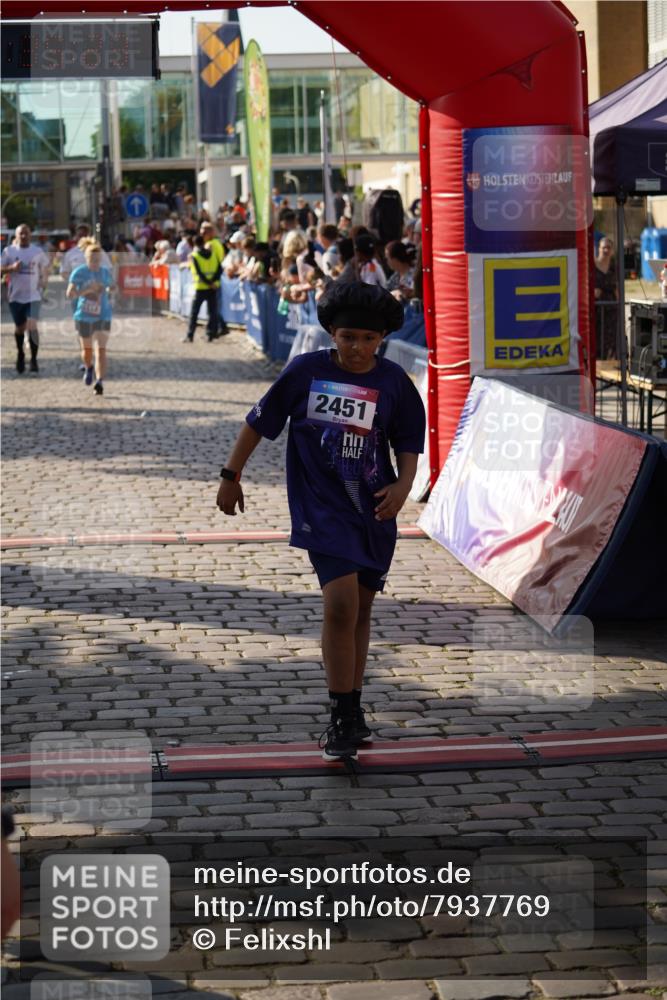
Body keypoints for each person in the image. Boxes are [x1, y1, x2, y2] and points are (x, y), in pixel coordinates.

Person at [216, 282, 426, 760]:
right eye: (348, 337)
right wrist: (231, 476)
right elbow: (258, 421)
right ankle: (339, 712)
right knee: (339, 606)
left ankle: (353, 709)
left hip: (374, 510)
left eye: (368, 339)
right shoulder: (305, 372)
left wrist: (403, 486)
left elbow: (409, 441)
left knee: (361, 610)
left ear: (383, 340)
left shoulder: (394, 381)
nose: (357, 348)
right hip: (321, 508)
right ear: (331, 332)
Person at [1, 223, 50, 374]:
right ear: (16, 236)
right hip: (15, 296)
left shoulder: (37, 251)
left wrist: (44, 280)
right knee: (20, 328)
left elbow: (46, 268)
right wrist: (11, 268)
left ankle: (34, 360)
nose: (23, 236)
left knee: (32, 326)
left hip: (33, 296)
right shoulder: (9, 251)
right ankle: (20, 354)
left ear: (30, 235)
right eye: (20, 233)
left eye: (26, 233)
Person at [66, 242, 113, 396]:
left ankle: (99, 381)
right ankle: (88, 367)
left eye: (97, 260)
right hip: (84, 315)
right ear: (86, 259)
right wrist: (86, 290)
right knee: (87, 351)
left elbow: (114, 287)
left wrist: (107, 288)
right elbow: (70, 294)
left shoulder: (105, 273)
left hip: (103, 314)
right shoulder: (79, 272)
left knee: (101, 350)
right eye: (92, 260)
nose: (95, 263)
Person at [184, 235, 223, 343]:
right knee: (212, 312)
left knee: (194, 313)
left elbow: (199, 273)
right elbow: (219, 270)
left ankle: (190, 335)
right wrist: (213, 282)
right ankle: (210, 334)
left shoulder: (195, 256)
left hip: (200, 288)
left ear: (194, 244)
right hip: (212, 288)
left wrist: (208, 283)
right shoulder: (214, 254)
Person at [594, 237, 618, 360]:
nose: (606, 250)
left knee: (611, 340)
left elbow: (617, 288)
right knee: (597, 339)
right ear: (599, 249)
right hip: (596, 309)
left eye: (608, 247)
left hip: (612, 310)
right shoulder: (592, 266)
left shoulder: (614, 268)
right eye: (603, 247)